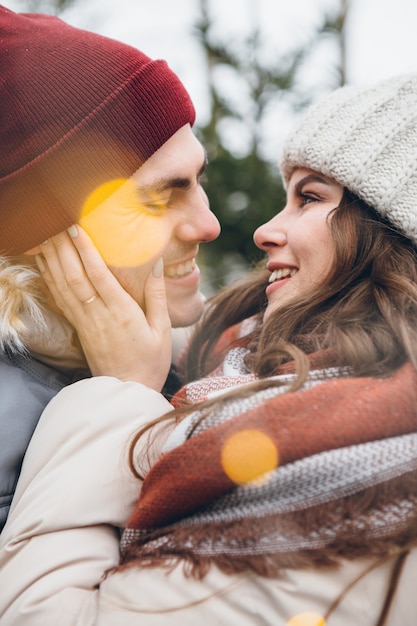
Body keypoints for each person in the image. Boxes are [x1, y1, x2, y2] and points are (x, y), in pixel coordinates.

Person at [1, 73, 417, 625]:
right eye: (158, 197)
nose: (261, 230)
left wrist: (120, 389)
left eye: (310, 197)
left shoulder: (346, 451)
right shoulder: (240, 364)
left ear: (393, 234)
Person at [0, 6, 220, 532]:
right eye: (158, 199)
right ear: (46, 239)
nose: (208, 225)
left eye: (196, 179)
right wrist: (125, 397)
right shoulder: (11, 428)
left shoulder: (202, 361)